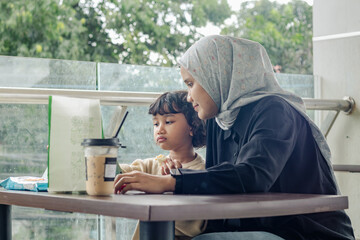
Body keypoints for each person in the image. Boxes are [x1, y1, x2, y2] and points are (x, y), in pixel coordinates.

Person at [114, 35, 355, 239]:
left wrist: (172, 182)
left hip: (304, 232)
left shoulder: (275, 110)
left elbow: (253, 176)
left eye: (191, 83)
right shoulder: (221, 119)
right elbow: (223, 188)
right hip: (258, 229)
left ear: (217, 75)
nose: (188, 96)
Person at [115, 90, 207, 240]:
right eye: (155, 123)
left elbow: (193, 226)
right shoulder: (151, 166)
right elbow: (117, 172)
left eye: (168, 122)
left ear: (192, 126)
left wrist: (176, 183)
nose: (160, 129)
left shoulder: (203, 172)